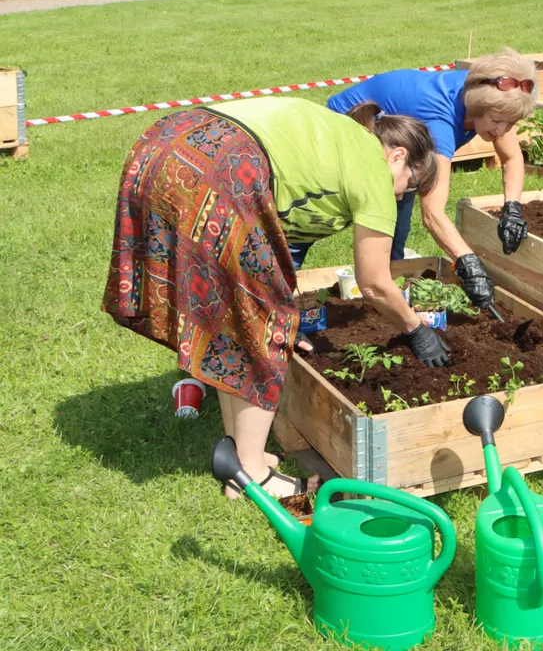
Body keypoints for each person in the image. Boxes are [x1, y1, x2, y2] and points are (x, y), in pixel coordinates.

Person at [104, 98, 451, 501]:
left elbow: (283, 247)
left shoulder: (341, 138)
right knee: (264, 323)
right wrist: (415, 328)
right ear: (397, 156)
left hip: (167, 143)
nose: (400, 195)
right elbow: (373, 282)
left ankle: (240, 452)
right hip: (225, 165)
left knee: (230, 316)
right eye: (408, 185)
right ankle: (252, 476)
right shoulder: (373, 167)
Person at [323, 50, 542, 312]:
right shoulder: (440, 123)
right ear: (475, 108)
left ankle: (388, 293)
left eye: (511, 123)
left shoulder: (488, 94)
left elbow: (511, 158)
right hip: (345, 130)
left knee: (398, 223)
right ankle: (381, 293)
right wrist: (469, 264)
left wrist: (513, 209)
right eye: (497, 122)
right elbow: (433, 214)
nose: (502, 132)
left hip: (397, 136)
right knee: (380, 215)